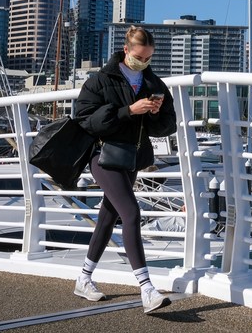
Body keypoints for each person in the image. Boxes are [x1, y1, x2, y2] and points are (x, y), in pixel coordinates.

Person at [73, 26, 177, 314]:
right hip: (102, 155)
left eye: (149, 57)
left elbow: (170, 125)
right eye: (140, 56)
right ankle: (147, 289)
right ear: (126, 49)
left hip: (132, 157)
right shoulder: (101, 79)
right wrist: (128, 111)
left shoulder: (154, 82)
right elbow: (84, 119)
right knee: (131, 213)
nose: (143, 62)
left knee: (108, 216)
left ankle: (83, 278)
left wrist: (155, 114)